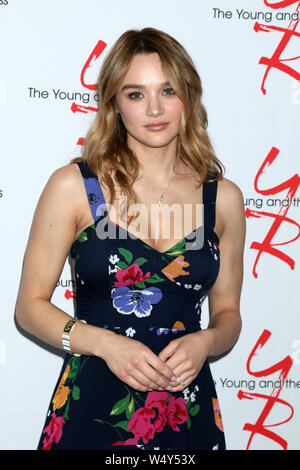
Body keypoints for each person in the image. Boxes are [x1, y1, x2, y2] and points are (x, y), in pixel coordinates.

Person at [15, 27, 246, 450]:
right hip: (91, 407)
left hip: (186, 412)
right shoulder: (74, 186)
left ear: (189, 97)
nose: (155, 108)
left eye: (169, 90)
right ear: (114, 104)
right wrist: (105, 344)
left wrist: (207, 341)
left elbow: (228, 313)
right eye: (136, 94)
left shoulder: (223, 197)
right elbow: (29, 308)